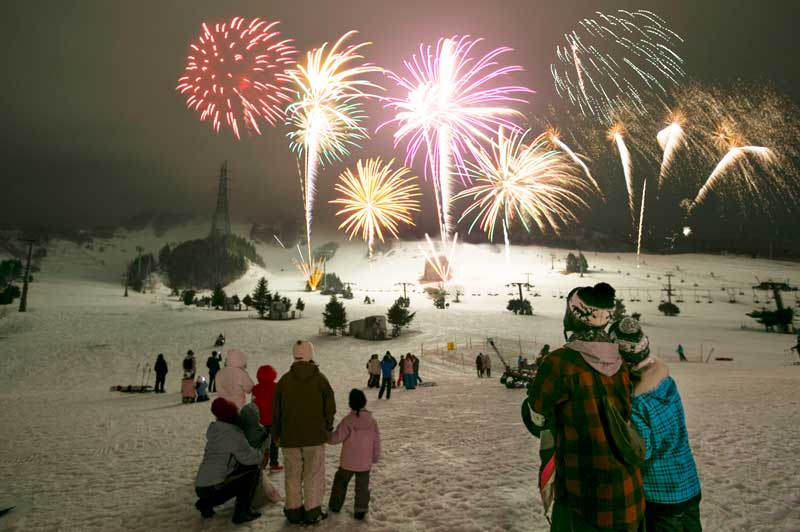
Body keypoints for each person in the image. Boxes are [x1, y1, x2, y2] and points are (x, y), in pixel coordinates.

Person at [523, 282, 645, 531]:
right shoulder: (621, 363)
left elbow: (537, 418)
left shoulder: (560, 363)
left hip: (584, 500)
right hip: (628, 495)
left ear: (574, 316)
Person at [611, 318, 702, 532]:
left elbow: (644, 451)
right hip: (688, 484)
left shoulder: (636, 400)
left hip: (661, 495)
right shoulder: (666, 382)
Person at [272, 340, 336, 525]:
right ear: (310, 354)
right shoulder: (320, 379)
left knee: (292, 475)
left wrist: (276, 434)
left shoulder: (284, 380)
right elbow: (330, 408)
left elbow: (276, 412)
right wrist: (327, 427)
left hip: (289, 437)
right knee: (313, 474)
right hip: (314, 437)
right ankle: (312, 511)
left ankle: (293, 511)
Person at [194, 398, 264, 524]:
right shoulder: (232, 434)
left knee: (231, 473)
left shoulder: (216, 431)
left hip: (200, 486)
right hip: (214, 488)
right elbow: (248, 458)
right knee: (253, 472)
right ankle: (241, 513)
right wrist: (261, 455)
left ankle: (205, 503)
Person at [327, 389, 381, 520]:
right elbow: (376, 441)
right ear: (364, 402)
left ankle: (335, 505)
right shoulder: (371, 421)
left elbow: (335, 439)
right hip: (364, 463)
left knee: (340, 482)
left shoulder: (347, 421)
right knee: (362, 486)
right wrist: (374, 457)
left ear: (350, 403)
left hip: (347, 462)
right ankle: (360, 510)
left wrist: (326, 434)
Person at [252, 364, 283, 473]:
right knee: (275, 443)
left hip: (261, 420)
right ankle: (274, 463)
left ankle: (261, 462)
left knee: (262, 443)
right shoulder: (277, 387)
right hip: (274, 420)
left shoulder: (256, 389)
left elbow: (253, 403)